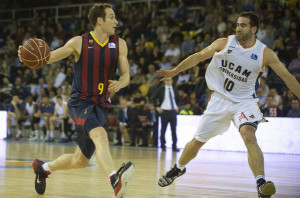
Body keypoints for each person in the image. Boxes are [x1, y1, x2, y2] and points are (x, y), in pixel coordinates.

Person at [156, 12, 300, 198]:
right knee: (197, 142)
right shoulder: (223, 43)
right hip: (219, 100)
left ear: (254, 29)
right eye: (238, 25)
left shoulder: (265, 53)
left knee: (249, 136)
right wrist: (176, 70)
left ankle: (261, 182)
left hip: (244, 102)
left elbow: (288, 77)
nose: (238, 28)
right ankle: (178, 168)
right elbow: (199, 56)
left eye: (243, 25)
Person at [18, 3, 134, 198]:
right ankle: (115, 180)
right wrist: (29, 56)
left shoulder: (120, 44)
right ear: (100, 20)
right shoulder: (78, 42)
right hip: (80, 103)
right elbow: (49, 57)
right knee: (101, 136)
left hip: (101, 106)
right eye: (112, 17)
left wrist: (120, 84)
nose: (116, 21)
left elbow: (126, 75)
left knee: (80, 161)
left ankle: (43, 168)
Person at [154, 77, 180, 152]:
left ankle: (174, 146)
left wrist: (177, 106)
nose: (169, 81)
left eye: (170, 80)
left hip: (173, 111)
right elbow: (153, 98)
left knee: (174, 130)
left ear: (172, 81)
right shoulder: (160, 89)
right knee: (163, 129)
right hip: (164, 111)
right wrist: (157, 107)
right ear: (165, 81)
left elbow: (178, 99)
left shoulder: (174, 89)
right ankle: (163, 145)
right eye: (167, 80)